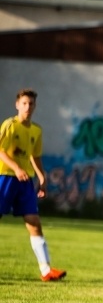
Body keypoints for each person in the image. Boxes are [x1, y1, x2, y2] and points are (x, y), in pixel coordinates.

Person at [0, 88, 67, 282]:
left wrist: (41, 177)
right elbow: (1, 150)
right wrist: (16, 168)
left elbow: (34, 156)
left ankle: (46, 270)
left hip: (25, 181)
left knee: (34, 222)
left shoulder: (36, 130)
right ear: (17, 105)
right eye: (24, 103)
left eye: (31, 104)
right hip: (5, 177)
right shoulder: (9, 125)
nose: (28, 107)